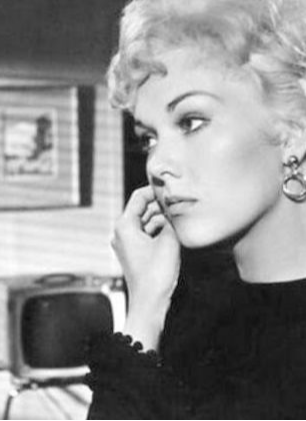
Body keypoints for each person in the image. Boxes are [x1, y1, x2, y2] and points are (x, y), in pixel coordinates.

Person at [86, 0, 306, 419]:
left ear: (293, 131)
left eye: (190, 122)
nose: (156, 164)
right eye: (149, 138)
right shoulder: (191, 316)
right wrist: (146, 305)